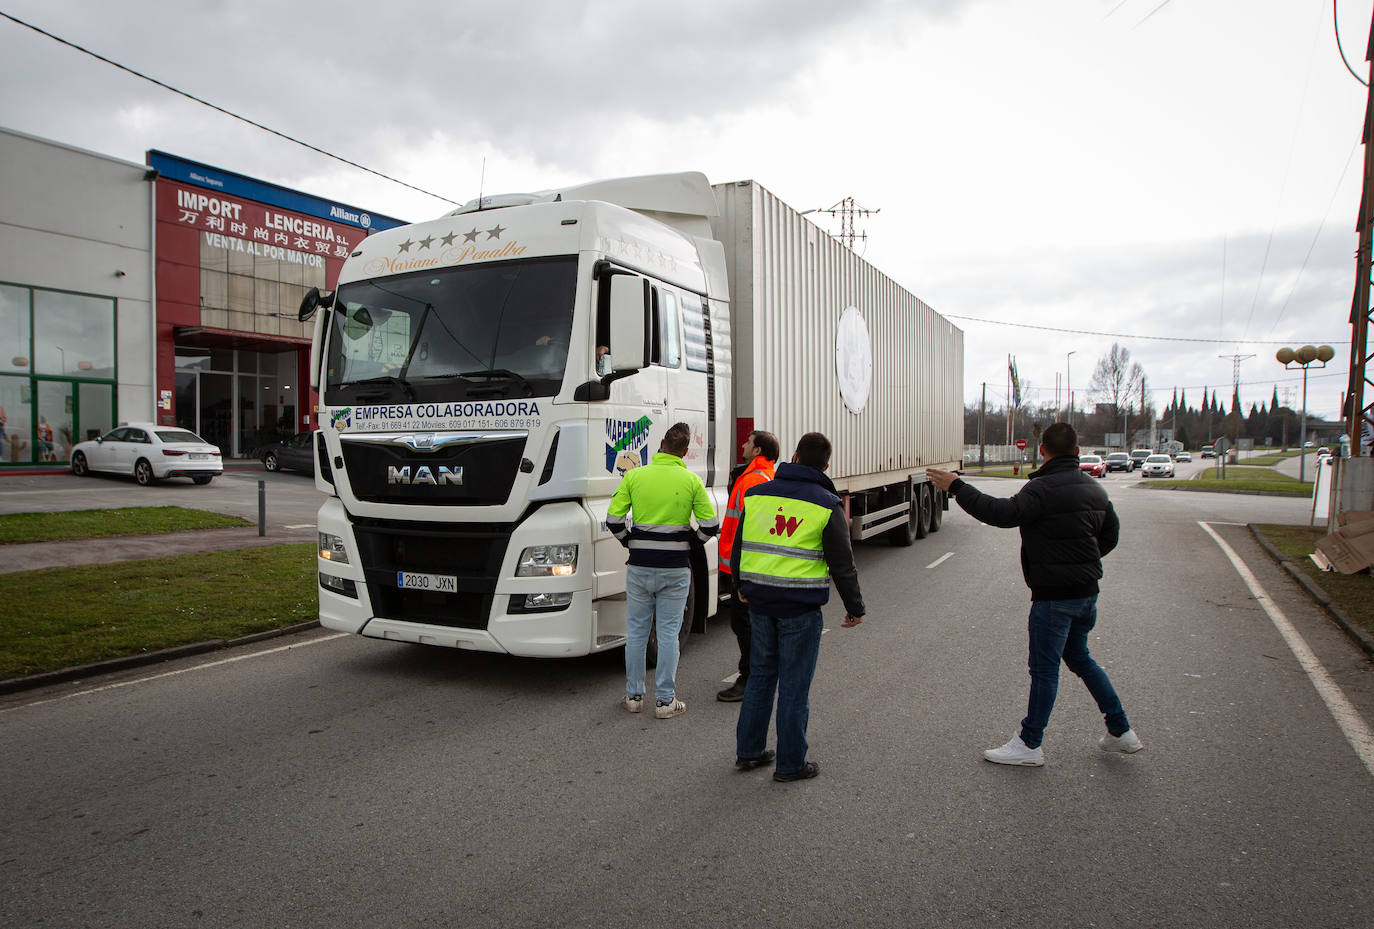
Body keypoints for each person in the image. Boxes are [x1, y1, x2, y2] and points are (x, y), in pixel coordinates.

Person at [925, 421, 1141, 767]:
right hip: (1087, 594)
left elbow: (1001, 514)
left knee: (1044, 669)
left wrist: (957, 487)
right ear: (1077, 452)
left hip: (1054, 597)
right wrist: (1081, 560)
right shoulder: (1095, 490)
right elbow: (1109, 536)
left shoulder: (1041, 489)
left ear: (1042, 451)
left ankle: (1029, 743)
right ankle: (1120, 730)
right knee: (1080, 658)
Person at [732, 432, 866, 782]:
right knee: (794, 684)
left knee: (761, 675)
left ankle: (749, 751)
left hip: (759, 601)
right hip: (800, 609)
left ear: (793, 455)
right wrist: (855, 606)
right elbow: (842, 563)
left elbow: (739, 545)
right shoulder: (826, 502)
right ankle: (791, 764)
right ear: (825, 465)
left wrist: (739, 587)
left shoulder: (757, 494)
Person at [606, 422, 719, 719]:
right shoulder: (691, 481)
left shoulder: (635, 476)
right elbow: (710, 527)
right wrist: (689, 546)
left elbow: (614, 520)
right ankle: (666, 701)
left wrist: (632, 542)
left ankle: (633, 696)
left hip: (641, 567)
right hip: (675, 570)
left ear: (660, 443)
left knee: (637, 632)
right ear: (684, 451)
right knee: (669, 634)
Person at [716, 430, 780, 702]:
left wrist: (740, 572)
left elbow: (748, 529)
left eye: (748, 442)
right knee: (749, 624)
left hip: (743, 564)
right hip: (750, 563)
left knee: (744, 625)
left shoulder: (752, 480)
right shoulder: (763, 475)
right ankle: (756, 673)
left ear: (757, 451)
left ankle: (749, 678)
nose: (743, 444)